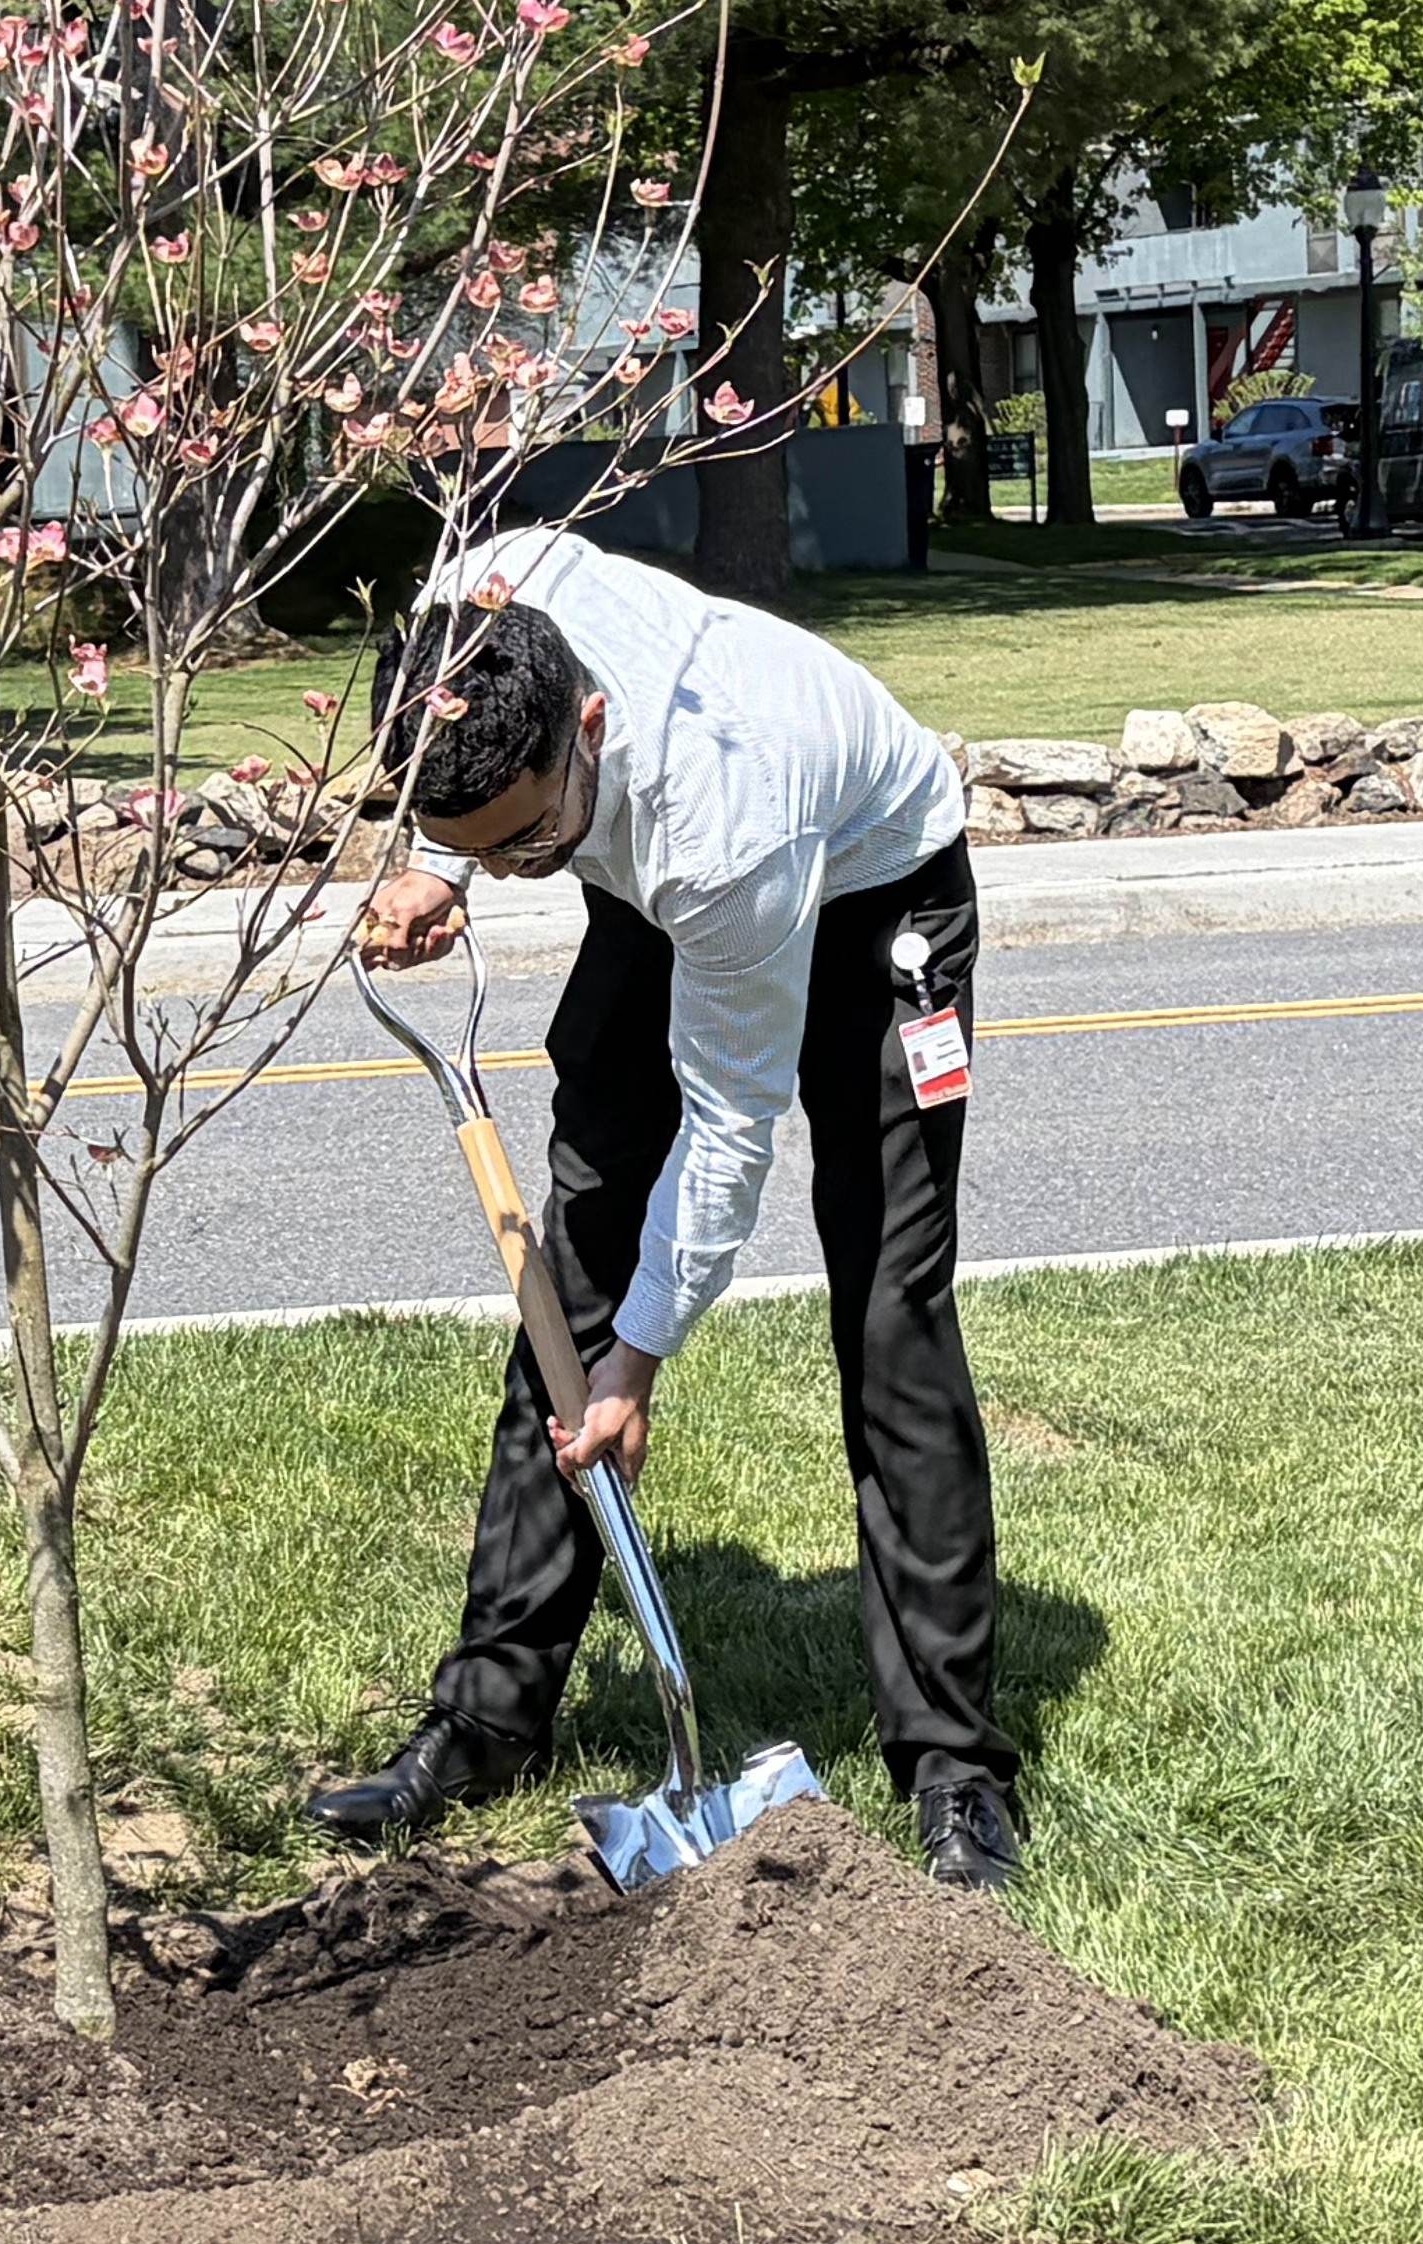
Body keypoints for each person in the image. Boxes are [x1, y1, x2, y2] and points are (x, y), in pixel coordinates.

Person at [312, 525, 1022, 1892]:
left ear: (587, 719)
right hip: (657, 877)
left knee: (890, 1303)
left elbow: (729, 1130)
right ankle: (486, 1719)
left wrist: (637, 1366)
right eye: (483, 851)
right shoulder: (493, 603)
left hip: (879, 893)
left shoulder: (717, 822)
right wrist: (441, 862)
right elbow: (483, 776)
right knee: (568, 1258)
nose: (517, 872)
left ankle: (953, 1768)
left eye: (526, 844)